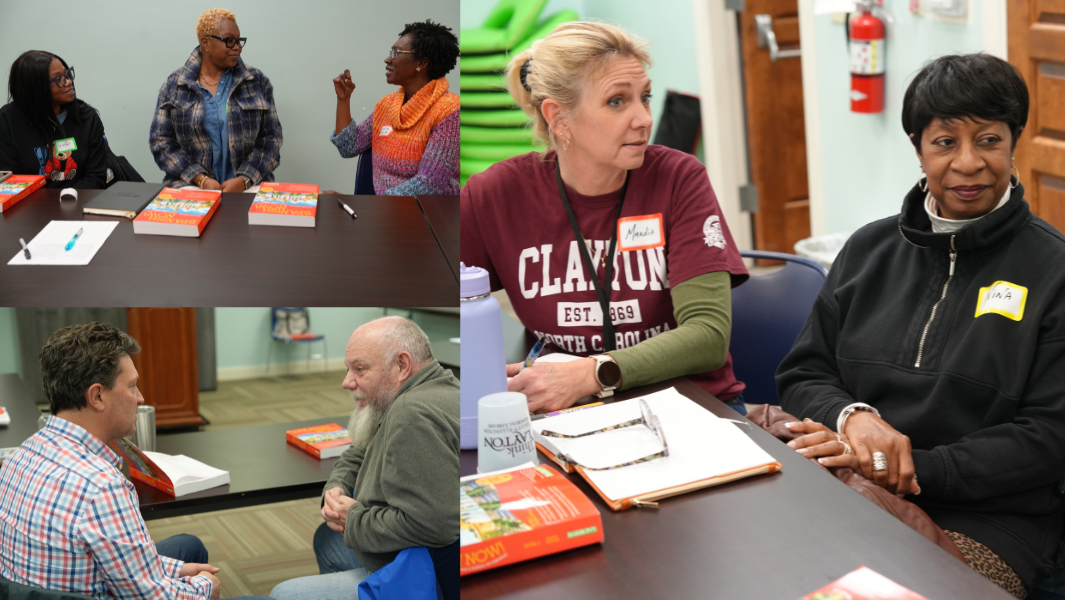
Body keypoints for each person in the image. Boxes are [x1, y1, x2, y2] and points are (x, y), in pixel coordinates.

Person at [775, 53, 1065, 598]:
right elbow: (805, 373)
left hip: (990, 526)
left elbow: (1047, 439)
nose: (969, 163)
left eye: (989, 140)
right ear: (918, 146)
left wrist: (908, 468)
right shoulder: (868, 250)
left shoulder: (1059, 272)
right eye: (945, 142)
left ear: (1014, 141)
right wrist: (853, 419)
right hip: (848, 488)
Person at [461, 21, 747, 414]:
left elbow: (707, 335)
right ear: (558, 118)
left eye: (644, 97)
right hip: (568, 415)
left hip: (689, 408)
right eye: (617, 101)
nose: (644, 118)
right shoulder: (494, 195)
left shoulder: (678, 179)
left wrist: (592, 372)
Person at [0, 323, 271, 600]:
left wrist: (175, 569)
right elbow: (149, 597)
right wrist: (203, 588)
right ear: (97, 396)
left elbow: (110, 561)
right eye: (132, 387)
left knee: (188, 547)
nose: (141, 398)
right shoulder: (103, 488)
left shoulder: (16, 457)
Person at [270, 317, 457, 600]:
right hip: (412, 557)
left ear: (402, 365)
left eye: (360, 369)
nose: (346, 382)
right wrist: (338, 485)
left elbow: (434, 525)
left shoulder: (410, 417)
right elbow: (361, 447)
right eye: (349, 369)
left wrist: (353, 518)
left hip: (421, 577)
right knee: (327, 538)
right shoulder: (436, 385)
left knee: (283, 594)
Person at [150, 8, 282, 191]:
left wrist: (244, 179)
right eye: (229, 40)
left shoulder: (257, 82)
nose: (237, 47)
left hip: (249, 184)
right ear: (206, 43)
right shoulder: (174, 85)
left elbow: (271, 140)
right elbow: (161, 142)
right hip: (190, 184)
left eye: (238, 40)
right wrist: (201, 180)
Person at [329, 20, 460, 196]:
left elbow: (429, 185)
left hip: (431, 216)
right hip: (385, 212)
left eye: (396, 53)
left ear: (421, 62)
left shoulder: (451, 111)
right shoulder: (387, 105)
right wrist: (343, 100)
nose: (387, 58)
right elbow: (349, 147)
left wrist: (368, 207)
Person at [0, 50, 119, 188]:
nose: (69, 82)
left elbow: (95, 177)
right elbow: (11, 181)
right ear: (36, 87)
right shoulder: (8, 120)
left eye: (67, 74)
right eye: (58, 78)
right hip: (28, 205)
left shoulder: (87, 117)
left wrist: (65, 200)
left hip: (78, 202)